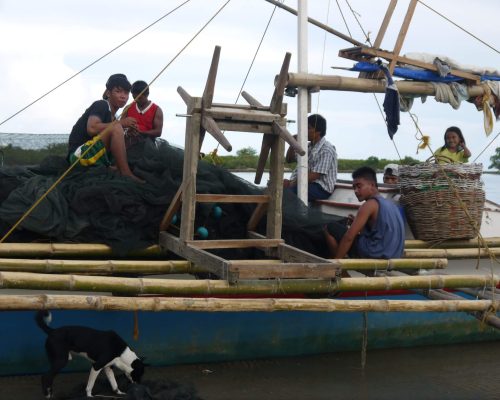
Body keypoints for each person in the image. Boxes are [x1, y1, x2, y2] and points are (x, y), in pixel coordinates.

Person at [67, 73, 143, 182]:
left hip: (94, 156)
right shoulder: (102, 105)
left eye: (126, 93)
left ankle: (116, 168)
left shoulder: (114, 117)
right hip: (79, 155)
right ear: (108, 93)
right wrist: (121, 124)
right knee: (116, 127)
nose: (123, 96)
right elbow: (92, 128)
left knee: (120, 130)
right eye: (118, 91)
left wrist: (126, 133)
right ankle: (126, 174)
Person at [324, 166, 404, 259]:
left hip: (374, 253)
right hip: (394, 255)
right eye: (354, 188)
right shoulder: (390, 204)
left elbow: (349, 237)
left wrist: (336, 263)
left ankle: (339, 269)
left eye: (359, 186)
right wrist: (357, 222)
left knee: (329, 227)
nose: (356, 191)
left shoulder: (369, 205)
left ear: (372, 185)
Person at [283, 114, 337, 201]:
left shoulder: (326, 149)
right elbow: (289, 160)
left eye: (308, 128)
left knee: (287, 193)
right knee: (277, 189)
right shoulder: (308, 147)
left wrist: (291, 183)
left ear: (318, 131)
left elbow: (314, 175)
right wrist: (293, 144)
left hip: (320, 188)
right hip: (307, 184)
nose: (304, 131)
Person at [123, 80, 163, 147]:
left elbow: (158, 132)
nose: (136, 100)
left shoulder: (157, 110)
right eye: (134, 97)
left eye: (140, 98)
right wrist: (128, 131)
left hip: (147, 147)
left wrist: (141, 132)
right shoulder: (128, 108)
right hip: (128, 145)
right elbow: (120, 126)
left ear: (147, 94)